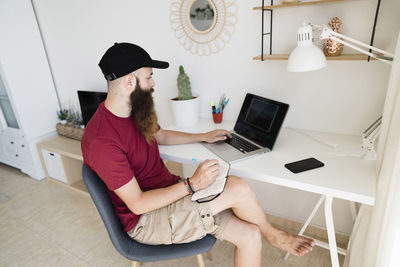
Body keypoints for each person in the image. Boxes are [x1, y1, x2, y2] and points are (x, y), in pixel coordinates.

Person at [81, 42, 315, 267]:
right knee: (238, 188)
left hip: (173, 198)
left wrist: (203, 136)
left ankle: (266, 233)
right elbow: (139, 205)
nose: (153, 84)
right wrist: (192, 185)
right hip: (148, 221)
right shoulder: (102, 140)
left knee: (250, 235)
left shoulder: (133, 110)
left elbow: (159, 136)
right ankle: (273, 234)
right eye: (150, 76)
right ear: (130, 82)